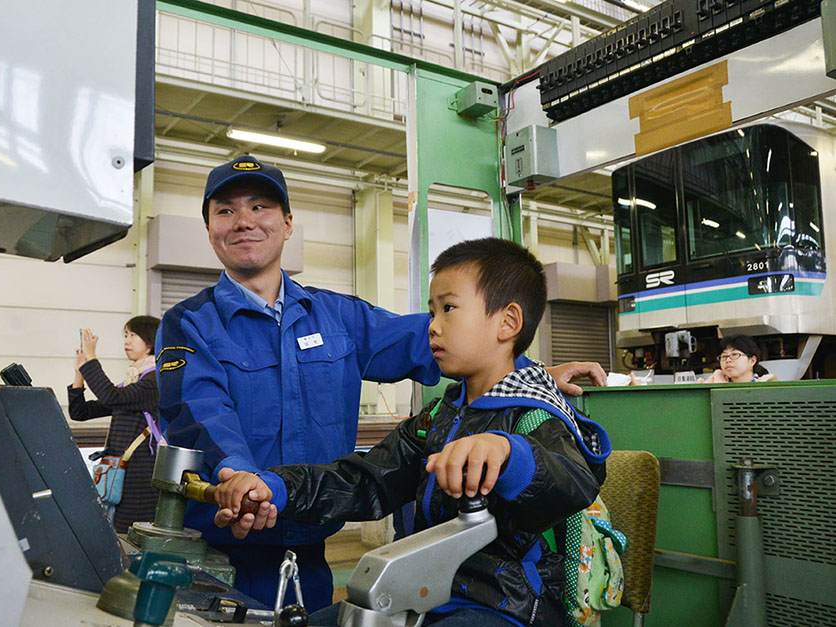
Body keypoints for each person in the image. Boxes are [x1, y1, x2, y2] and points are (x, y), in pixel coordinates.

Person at [155, 155, 608, 611]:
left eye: (259, 207)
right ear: (210, 227)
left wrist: (530, 373)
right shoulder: (188, 323)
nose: (243, 222)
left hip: (309, 551)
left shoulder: (340, 318)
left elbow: (471, 340)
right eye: (226, 211)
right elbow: (201, 410)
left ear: (288, 223)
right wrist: (243, 477)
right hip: (223, 544)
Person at [213, 237, 611, 626]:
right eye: (431, 311)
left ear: (508, 322)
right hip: (424, 594)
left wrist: (510, 454)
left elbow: (573, 481)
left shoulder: (536, 415)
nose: (432, 327)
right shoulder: (437, 417)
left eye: (448, 309)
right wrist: (275, 488)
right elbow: (364, 481)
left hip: (506, 607)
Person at [69, 316, 162, 533]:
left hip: (141, 476)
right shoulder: (133, 380)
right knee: (113, 532)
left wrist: (92, 358)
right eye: (125, 335)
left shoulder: (156, 381)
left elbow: (112, 397)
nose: (126, 342)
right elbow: (80, 412)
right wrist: (79, 374)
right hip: (119, 472)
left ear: (150, 341)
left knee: (130, 534)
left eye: (133, 335)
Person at [697, 335, 778, 383]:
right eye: (724, 356)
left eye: (735, 354)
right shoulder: (716, 385)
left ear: (752, 361)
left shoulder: (767, 385)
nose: (728, 360)